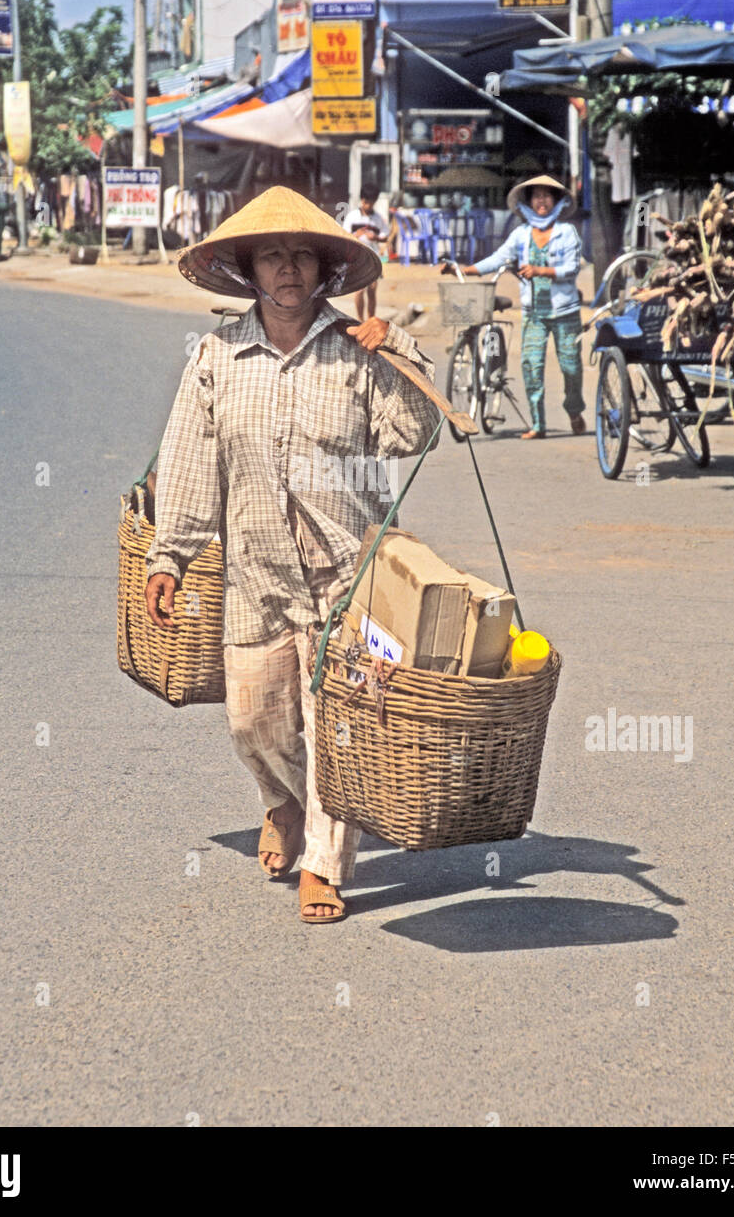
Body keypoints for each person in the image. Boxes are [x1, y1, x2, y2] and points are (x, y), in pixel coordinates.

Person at [144, 186, 440, 924]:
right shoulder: (216, 355)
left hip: (347, 575)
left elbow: (413, 437)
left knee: (333, 724)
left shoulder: (353, 352)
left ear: (322, 270)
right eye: (272, 255)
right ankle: (280, 800)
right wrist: (168, 555)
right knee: (253, 721)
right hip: (255, 574)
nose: (287, 268)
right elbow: (187, 457)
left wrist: (399, 353)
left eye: (301, 255)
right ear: (247, 270)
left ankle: (324, 863)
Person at [456, 174, 586, 440]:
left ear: (557, 201)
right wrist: (467, 269)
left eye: (547, 196)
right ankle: (538, 424)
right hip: (533, 314)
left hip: (566, 312)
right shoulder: (521, 235)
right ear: (528, 202)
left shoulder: (567, 233)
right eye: (536, 196)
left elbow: (572, 268)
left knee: (571, 367)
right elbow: (498, 258)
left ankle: (574, 410)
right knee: (531, 365)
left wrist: (541, 270)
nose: (542, 201)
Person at [343, 184, 387, 322]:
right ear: (362, 200)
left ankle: (371, 319)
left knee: (372, 289)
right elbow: (344, 236)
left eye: (371, 202)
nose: (368, 205)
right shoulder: (352, 216)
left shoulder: (378, 218)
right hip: (357, 257)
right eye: (366, 202)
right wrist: (357, 234)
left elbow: (385, 235)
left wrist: (376, 237)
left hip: (373, 257)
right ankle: (360, 320)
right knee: (359, 290)